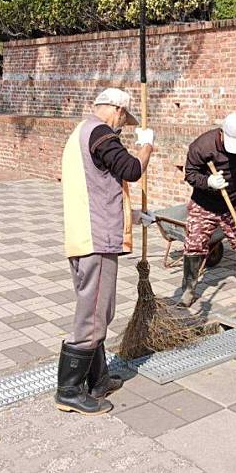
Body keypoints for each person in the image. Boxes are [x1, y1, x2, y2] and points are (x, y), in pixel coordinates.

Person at [56, 87, 154, 415]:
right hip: (96, 240)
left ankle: (97, 380)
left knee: (97, 309)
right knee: (94, 313)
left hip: (85, 235)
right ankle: (69, 391)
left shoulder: (79, 134)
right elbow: (131, 170)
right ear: (117, 111)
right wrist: (146, 145)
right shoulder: (100, 132)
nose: (123, 127)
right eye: (124, 120)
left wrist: (135, 216)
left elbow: (99, 187)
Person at [180, 112, 236, 307]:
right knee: (194, 244)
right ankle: (188, 289)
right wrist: (208, 182)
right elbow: (190, 174)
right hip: (205, 204)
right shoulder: (203, 145)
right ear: (222, 133)